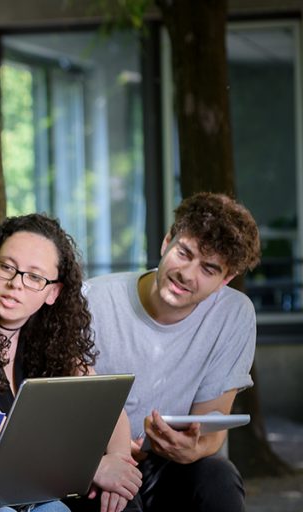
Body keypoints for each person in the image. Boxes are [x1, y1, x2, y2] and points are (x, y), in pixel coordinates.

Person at [0, 214, 141, 512]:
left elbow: (108, 405)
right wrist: (92, 468)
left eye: (35, 277)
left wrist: (118, 459)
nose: (16, 283)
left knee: (120, 497)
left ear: (53, 292)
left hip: (42, 483)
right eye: (7, 267)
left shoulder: (50, 335)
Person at [83, 192, 261, 512]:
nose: (187, 274)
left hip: (166, 464)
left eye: (208, 269)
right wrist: (112, 454)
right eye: (184, 253)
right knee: (118, 499)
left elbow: (212, 423)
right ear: (167, 242)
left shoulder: (235, 314)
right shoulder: (92, 300)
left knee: (218, 476)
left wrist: (194, 449)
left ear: (226, 279)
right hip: (94, 460)